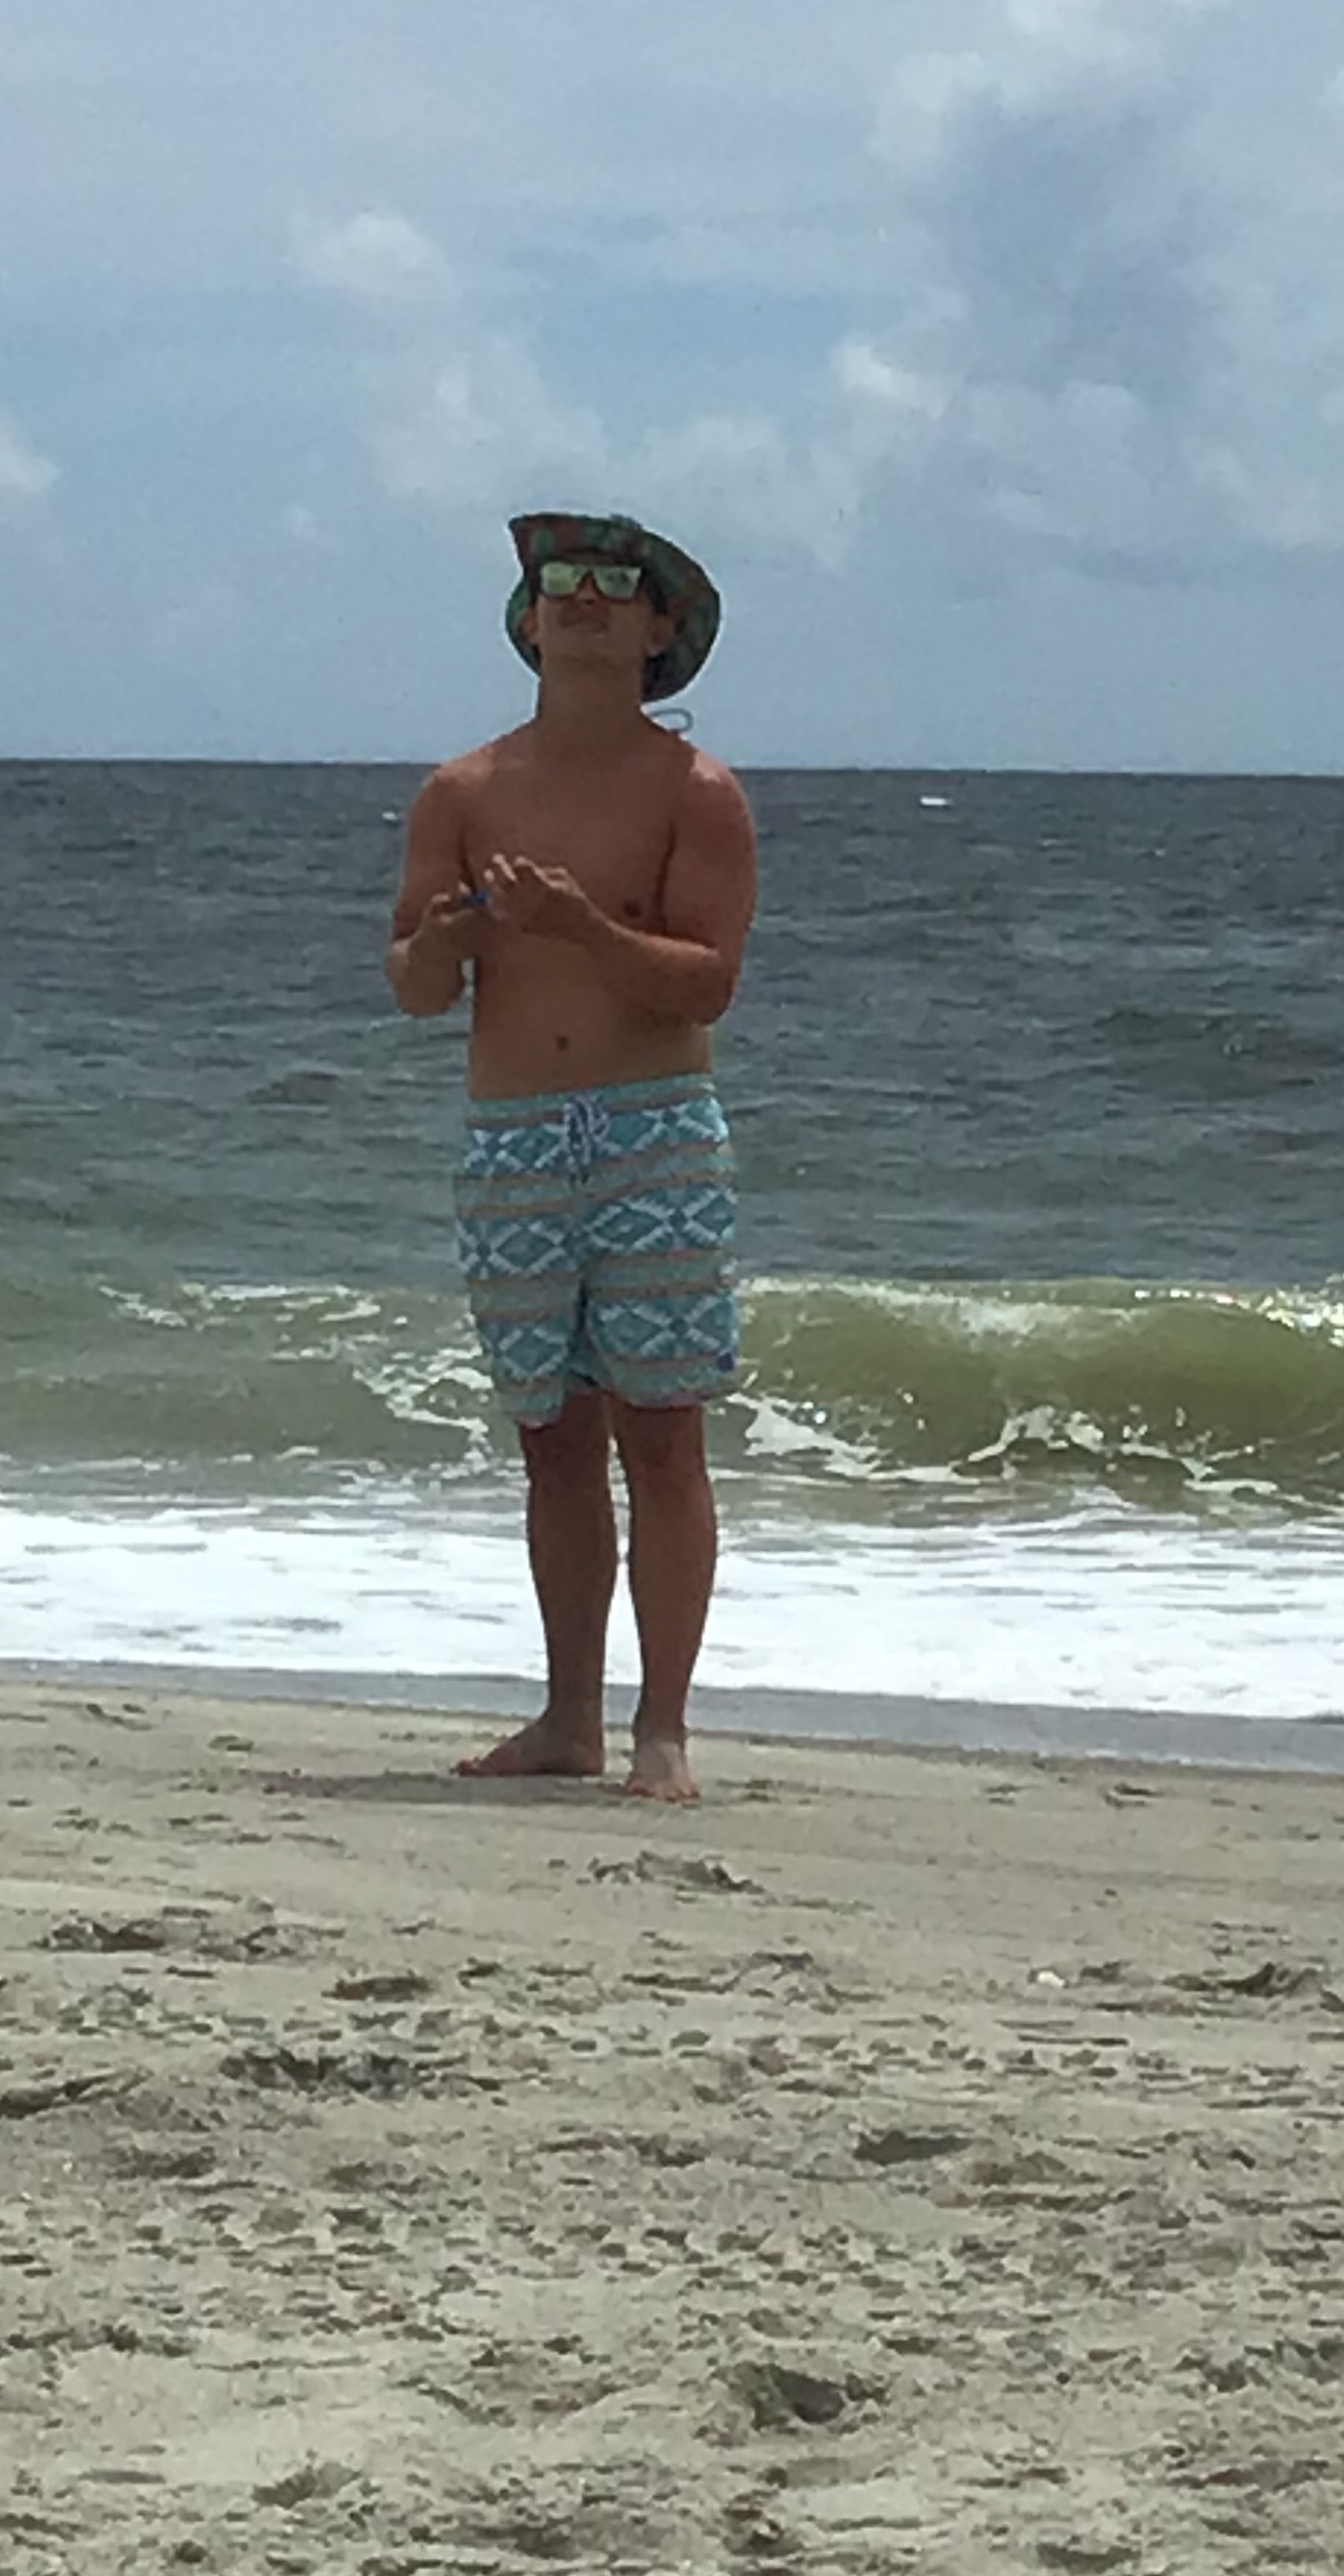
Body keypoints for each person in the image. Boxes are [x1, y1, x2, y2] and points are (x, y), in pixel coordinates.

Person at [384, 511, 759, 1805]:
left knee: (663, 1435)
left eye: (616, 584)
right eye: (561, 584)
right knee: (551, 1435)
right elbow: (414, 984)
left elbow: (707, 982)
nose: (586, 599)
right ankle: (566, 1718)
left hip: (652, 1130)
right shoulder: (464, 792)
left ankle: (662, 1728)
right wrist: (448, 944)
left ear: (658, 629)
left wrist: (583, 927)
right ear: (530, 622)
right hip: (515, 1137)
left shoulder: (694, 795)